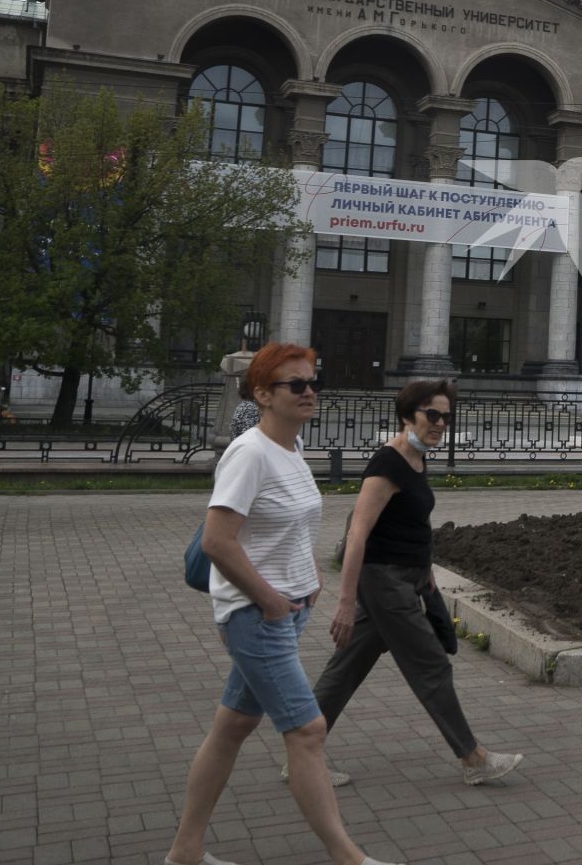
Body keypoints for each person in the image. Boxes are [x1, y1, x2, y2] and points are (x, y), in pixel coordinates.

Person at [165, 342, 399, 865]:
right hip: (256, 617)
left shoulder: (289, 448)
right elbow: (217, 541)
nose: (309, 392)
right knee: (309, 730)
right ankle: (348, 857)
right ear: (263, 394)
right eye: (296, 384)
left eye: (313, 382)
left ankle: (185, 851)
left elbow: (286, 525)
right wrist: (270, 600)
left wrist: (308, 573)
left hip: (287, 611)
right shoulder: (249, 453)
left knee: (232, 727)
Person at [312, 379, 523, 786]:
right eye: (432, 415)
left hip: (407, 579)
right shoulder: (387, 463)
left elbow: (410, 523)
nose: (441, 423)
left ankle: (301, 753)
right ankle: (473, 758)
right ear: (408, 415)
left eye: (446, 416)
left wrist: (424, 572)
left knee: (346, 668)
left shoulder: (417, 460)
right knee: (430, 665)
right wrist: (344, 601)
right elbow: (357, 533)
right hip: (384, 581)